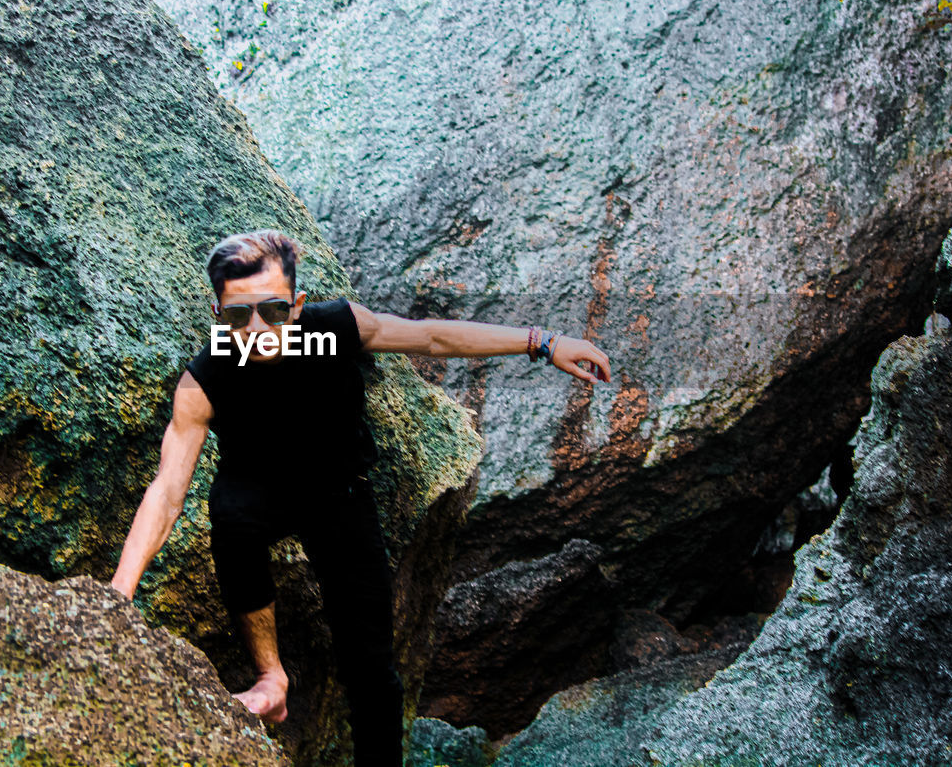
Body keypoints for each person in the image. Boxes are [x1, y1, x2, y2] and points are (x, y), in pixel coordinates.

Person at [110, 229, 611, 767]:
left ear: (297, 305)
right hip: (258, 495)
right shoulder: (206, 377)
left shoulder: (333, 328)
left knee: (371, 669)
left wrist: (544, 342)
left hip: (338, 495)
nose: (257, 330)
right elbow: (167, 490)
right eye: (238, 316)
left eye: (273, 311)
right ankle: (271, 678)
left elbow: (432, 337)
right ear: (217, 314)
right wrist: (118, 592)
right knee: (229, 514)